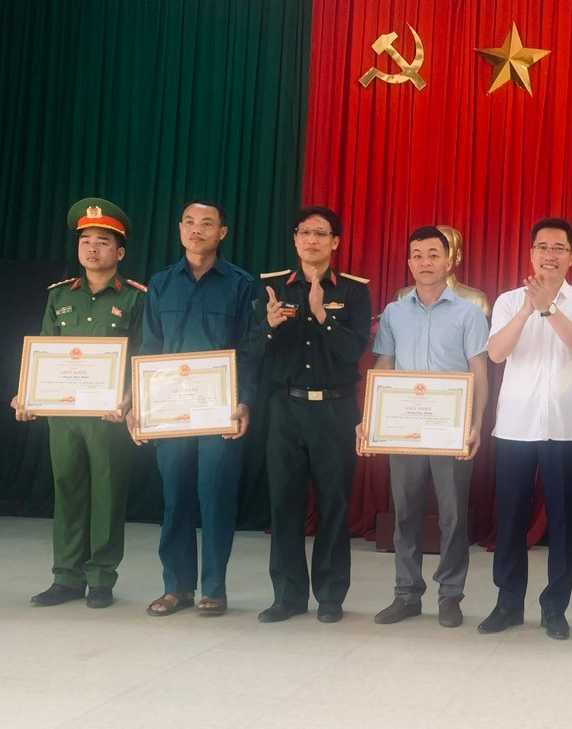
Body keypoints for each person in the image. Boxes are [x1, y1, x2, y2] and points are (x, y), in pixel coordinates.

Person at [15, 197, 145, 609]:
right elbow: (44, 349)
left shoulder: (135, 298)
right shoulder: (58, 296)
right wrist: (27, 392)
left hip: (110, 415)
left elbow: (143, 356)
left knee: (108, 492)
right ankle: (66, 577)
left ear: (119, 253)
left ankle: (101, 578)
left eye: (103, 242)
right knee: (67, 489)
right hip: (64, 413)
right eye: (86, 241)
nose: (92, 248)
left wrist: (128, 399)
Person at [133, 200, 258, 617]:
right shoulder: (161, 283)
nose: (196, 229)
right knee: (175, 499)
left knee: (216, 497)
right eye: (188, 222)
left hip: (220, 412)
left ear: (222, 232)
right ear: (179, 228)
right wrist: (139, 403)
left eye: (206, 223)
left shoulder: (241, 284)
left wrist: (245, 401)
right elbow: (149, 348)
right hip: (169, 412)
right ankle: (177, 587)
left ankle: (215, 589)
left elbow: (250, 350)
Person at [479, 217, 572, 640]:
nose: (550, 254)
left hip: (567, 428)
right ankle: (508, 604)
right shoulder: (509, 300)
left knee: (564, 522)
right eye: (543, 247)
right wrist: (528, 309)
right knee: (511, 517)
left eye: (559, 248)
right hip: (515, 425)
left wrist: (549, 308)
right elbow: (496, 353)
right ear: (531, 253)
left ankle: (555, 609)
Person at [364, 226, 489, 629]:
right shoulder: (394, 312)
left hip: (451, 430)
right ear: (409, 262)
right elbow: (384, 366)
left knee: (453, 517)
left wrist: (476, 424)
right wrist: (371, 417)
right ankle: (406, 594)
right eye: (417, 255)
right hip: (404, 428)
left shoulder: (469, 312)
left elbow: (480, 372)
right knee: (405, 514)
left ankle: (450, 595)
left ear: (448, 261)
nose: (425, 262)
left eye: (433, 254)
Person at [254, 206, 372, 624]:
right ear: (295, 239)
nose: (312, 240)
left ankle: (330, 596)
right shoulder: (272, 288)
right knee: (284, 503)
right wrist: (269, 326)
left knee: (334, 504)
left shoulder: (354, 292)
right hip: (285, 408)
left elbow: (353, 351)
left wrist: (322, 315)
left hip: (335, 409)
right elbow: (254, 349)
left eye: (321, 233)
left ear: (335, 242)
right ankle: (287, 596)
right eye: (305, 232)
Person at [394, 225, 491, 316]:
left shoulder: (476, 301)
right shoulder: (402, 297)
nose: (427, 262)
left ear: (458, 256)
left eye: (434, 254)